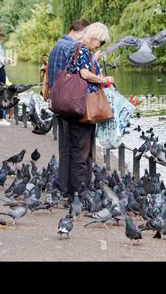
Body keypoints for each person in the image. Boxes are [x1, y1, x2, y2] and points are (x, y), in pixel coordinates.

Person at [63, 22, 112, 202]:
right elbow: (84, 74)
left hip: (80, 108)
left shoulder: (81, 51)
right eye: (100, 41)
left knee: (82, 151)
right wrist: (103, 80)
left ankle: (79, 191)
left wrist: (95, 61)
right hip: (82, 108)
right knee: (80, 153)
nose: (100, 45)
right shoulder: (82, 49)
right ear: (94, 37)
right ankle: (77, 193)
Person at [48, 19, 90, 198]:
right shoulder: (73, 48)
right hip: (70, 101)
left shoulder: (57, 46)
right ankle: (74, 190)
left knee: (64, 147)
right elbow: (78, 75)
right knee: (75, 148)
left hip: (57, 100)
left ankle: (64, 187)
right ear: (81, 32)